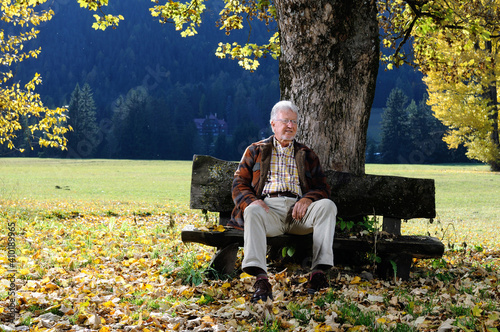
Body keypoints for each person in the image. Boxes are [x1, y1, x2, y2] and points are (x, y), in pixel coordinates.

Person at [229, 100, 337, 302]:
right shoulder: (255, 151)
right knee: (251, 210)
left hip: (300, 213)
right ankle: (261, 279)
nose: (290, 126)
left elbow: (323, 188)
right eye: (285, 121)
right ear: (273, 124)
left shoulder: (307, 154)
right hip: (269, 211)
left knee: (327, 206)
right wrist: (253, 200)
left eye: (294, 122)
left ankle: (318, 274)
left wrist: (307, 199)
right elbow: (238, 184)